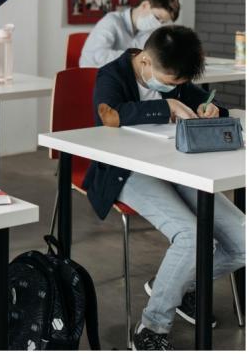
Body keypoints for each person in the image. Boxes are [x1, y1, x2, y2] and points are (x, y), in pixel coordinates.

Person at [83, 25, 244, 350]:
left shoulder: (176, 78)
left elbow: (209, 103)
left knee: (244, 241)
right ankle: (151, 329)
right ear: (145, 61)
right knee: (190, 236)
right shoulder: (112, 75)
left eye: (178, 85)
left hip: (174, 168)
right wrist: (165, 106)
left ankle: (172, 286)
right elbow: (108, 117)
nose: (173, 90)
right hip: (123, 171)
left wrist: (212, 110)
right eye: (169, 83)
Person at [79, 0, 180, 68]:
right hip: (92, 79)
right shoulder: (111, 21)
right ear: (144, 5)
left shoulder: (147, 32)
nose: (158, 24)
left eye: (163, 22)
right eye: (157, 18)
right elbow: (98, 55)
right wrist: (138, 58)